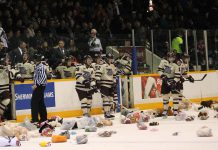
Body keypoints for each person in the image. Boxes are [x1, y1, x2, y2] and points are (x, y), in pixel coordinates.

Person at [95, 53, 116, 119]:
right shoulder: (102, 65)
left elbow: (114, 75)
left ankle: (108, 112)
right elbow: (98, 74)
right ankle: (106, 113)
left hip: (111, 85)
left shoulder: (112, 66)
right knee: (106, 99)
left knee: (110, 99)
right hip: (104, 85)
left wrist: (114, 83)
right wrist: (98, 83)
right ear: (106, 59)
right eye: (109, 58)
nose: (110, 60)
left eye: (111, 58)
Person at [157, 52, 178, 118]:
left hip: (173, 81)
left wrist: (174, 82)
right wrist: (163, 76)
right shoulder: (163, 62)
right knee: (165, 96)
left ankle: (175, 110)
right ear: (167, 57)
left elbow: (177, 75)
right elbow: (159, 70)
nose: (171, 59)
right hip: (165, 82)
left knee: (175, 96)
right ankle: (165, 110)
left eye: (172, 57)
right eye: (170, 57)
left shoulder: (176, 64)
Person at [31, 54, 48, 123]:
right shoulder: (38, 66)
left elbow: (44, 77)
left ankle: (35, 119)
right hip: (40, 86)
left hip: (39, 86)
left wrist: (37, 85)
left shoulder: (41, 67)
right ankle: (43, 118)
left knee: (34, 102)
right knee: (40, 102)